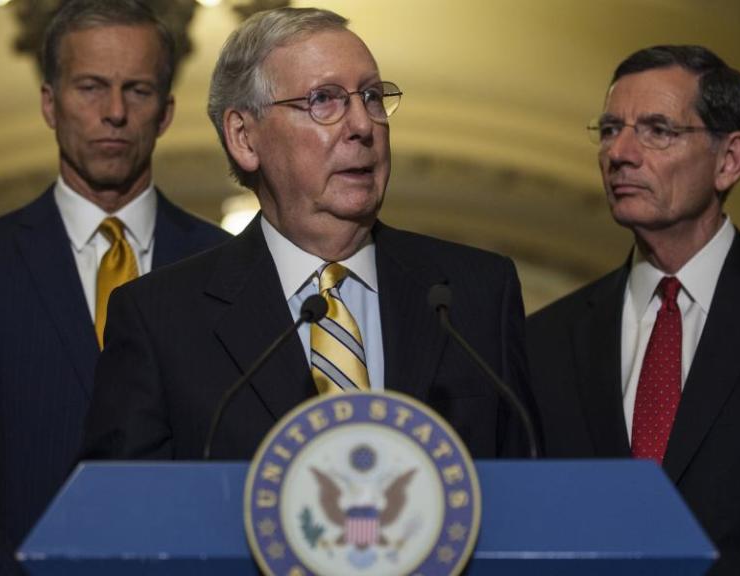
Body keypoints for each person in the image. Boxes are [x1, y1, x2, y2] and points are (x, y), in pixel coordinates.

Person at [81, 7, 531, 463]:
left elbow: (531, 496)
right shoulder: (160, 320)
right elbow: (125, 518)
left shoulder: (476, 295)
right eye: (324, 100)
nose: (362, 126)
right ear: (244, 137)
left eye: (372, 97)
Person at [0, 1, 229, 574]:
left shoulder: (227, 266)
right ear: (50, 103)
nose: (115, 112)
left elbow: (246, 471)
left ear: (167, 111)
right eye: (91, 87)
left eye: (139, 90)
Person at [525, 45, 740, 575]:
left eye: (657, 130)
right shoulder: (546, 342)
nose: (620, 153)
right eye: (609, 130)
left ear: (729, 160)